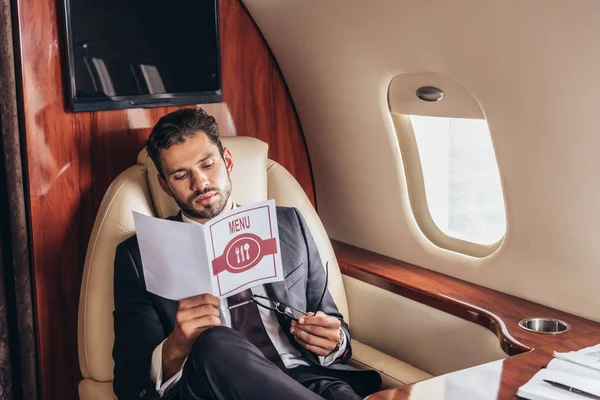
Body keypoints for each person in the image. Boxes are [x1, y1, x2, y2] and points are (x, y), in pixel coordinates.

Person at [112, 108, 381, 400]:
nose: (200, 183)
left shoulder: (289, 225)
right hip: (213, 391)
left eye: (208, 164)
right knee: (214, 341)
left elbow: (330, 320)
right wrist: (176, 346)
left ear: (227, 161)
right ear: (166, 185)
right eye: (180, 175)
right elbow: (128, 382)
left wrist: (334, 340)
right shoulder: (139, 255)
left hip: (305, 379)